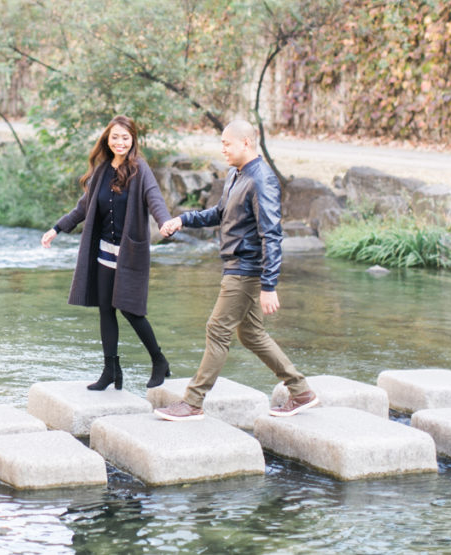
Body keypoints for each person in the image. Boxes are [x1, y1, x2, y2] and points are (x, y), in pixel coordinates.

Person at [154, 119, 317, 420]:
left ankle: (192, 402)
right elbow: (219, 213)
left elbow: (272, 234)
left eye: (227, 144)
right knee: (251, 335)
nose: (223, 149)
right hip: (237, 265)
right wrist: (183, 219)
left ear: (246, 143)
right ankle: (301, 391)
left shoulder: (261, 180)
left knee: (217, 330)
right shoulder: (235, 174)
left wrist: (269, 285)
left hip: (245, 269)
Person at [41, 115, 172, 390]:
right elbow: (83, 207)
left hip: (129, 254)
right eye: (115, 137)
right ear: (107, 139)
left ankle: (159, 360)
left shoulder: (140, 169)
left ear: (133, 139)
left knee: (131, 310)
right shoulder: (101, 171)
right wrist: (57, 228)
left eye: (125, 137)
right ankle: (111, 370)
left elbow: (155, 198)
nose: (120, 142)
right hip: (103, 252)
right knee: (106, 310)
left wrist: (165, 222)